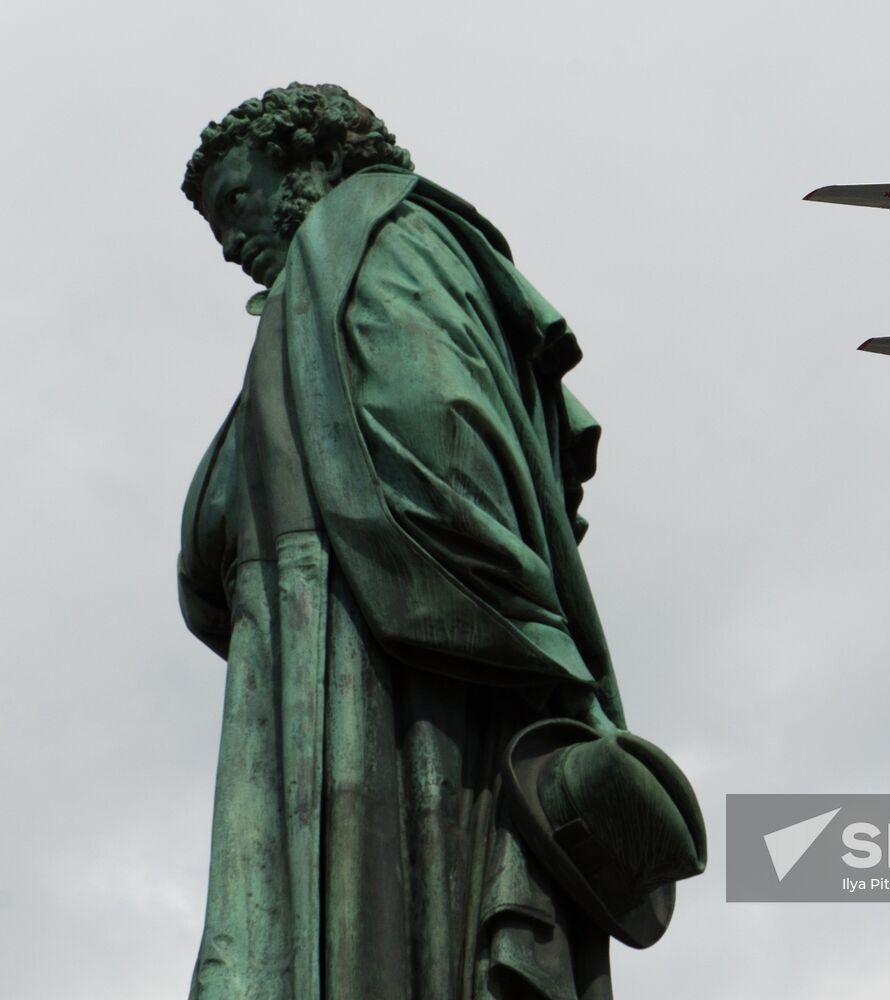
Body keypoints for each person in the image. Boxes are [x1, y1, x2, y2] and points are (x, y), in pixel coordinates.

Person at [177, 83, 701, 1000]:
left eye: (235, 200)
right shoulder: (324, 280)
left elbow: (444, 426)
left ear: (310, 163)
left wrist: (495, 603)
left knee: (397, 905)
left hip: (391, 637)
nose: (228, 241)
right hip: (324, 630)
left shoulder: (381, 239)